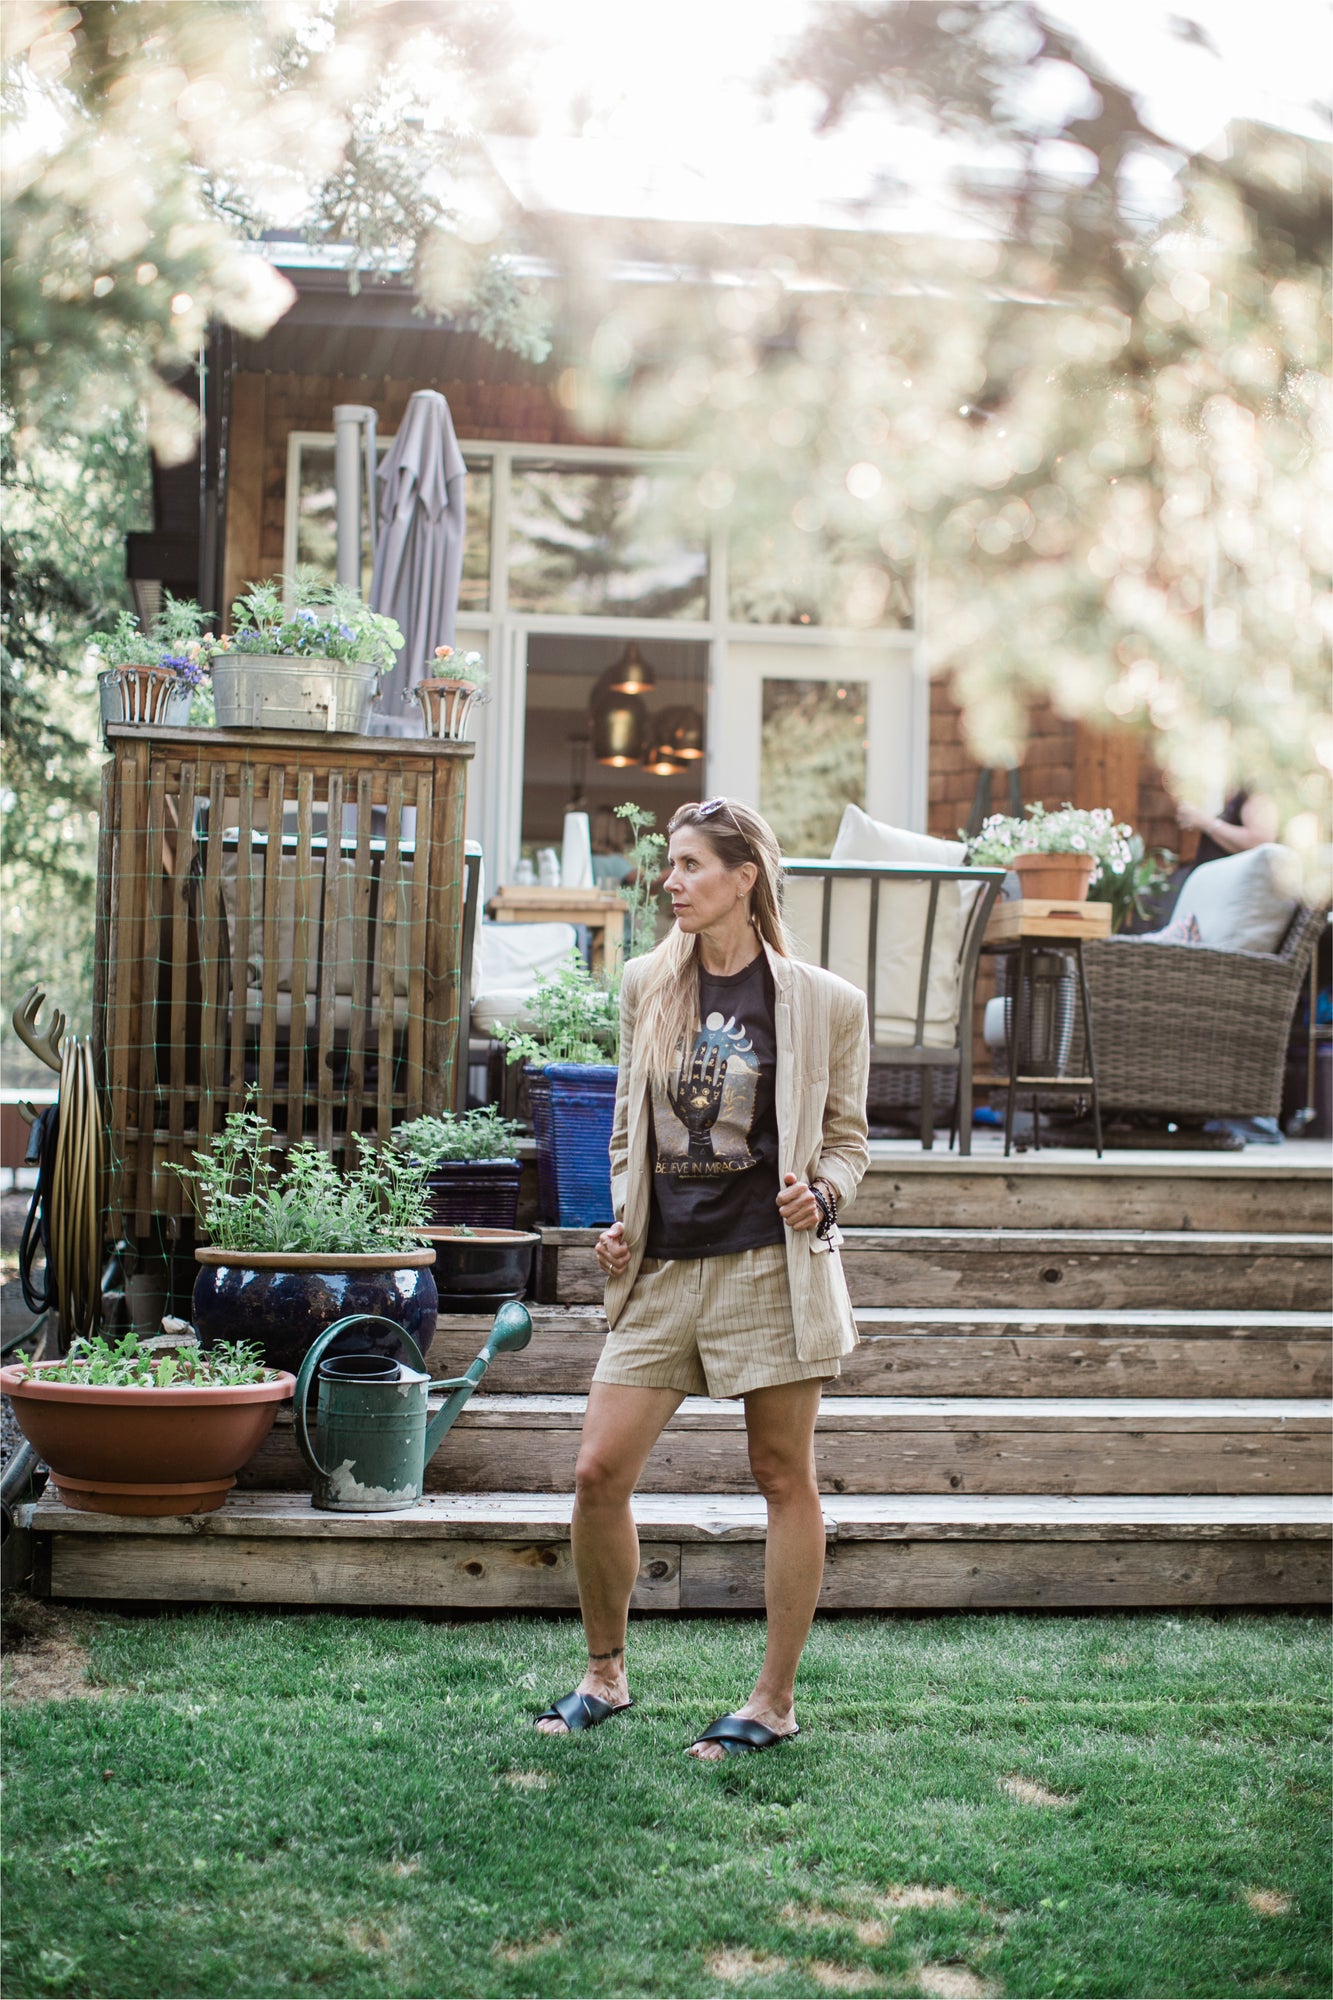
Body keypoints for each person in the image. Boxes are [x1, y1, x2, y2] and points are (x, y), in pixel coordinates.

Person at [534, 797, 870, 1759]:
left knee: (780, 1474)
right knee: (598, 1471)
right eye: (670, 865)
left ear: (743, 878)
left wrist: (823, 1195)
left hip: (769, 1267)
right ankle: (604, 1675)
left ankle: (772, 1701)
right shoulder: (647, 981)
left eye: (689, 865)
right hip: (662, 1270)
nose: (670, 882)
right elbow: (625, 1128)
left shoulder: (824, 1001)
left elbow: (847, 1141)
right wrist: (620, 1222)